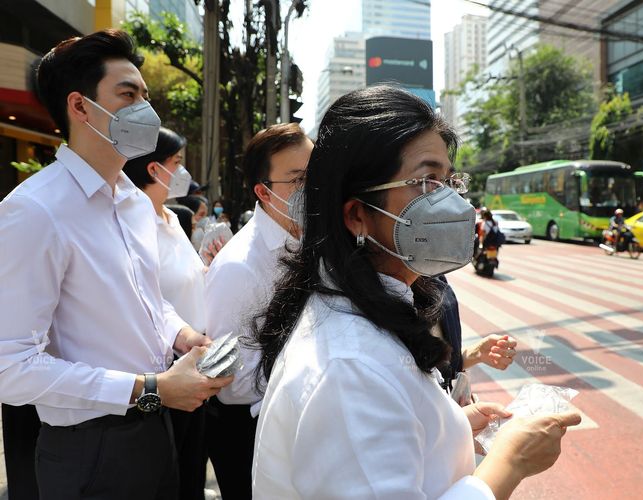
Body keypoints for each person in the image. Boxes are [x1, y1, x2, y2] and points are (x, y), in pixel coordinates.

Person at [250, 86, 580, 499]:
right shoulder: (348, 368)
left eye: (448, 181)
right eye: (425, 182)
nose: (449, 202)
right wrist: (510, 461)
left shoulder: (368, 311)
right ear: (357, 215)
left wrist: (455, 427)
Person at [0, 29, 232, 499]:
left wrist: (182, 335)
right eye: (127, 94)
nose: (145, 109)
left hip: (155, 428)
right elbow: (11, 367)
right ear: (80, 107)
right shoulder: (35, 210)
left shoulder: (129, 198)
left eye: (144, 95)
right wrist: (150, 388)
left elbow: (147, 300)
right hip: (90, 448)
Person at [205, 123, 314, 498]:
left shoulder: (312, 241)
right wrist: (315, 382)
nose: (312, 187)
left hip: (299, 420)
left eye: (315, 173)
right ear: (263, 192)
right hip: (251, 434)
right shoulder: (238, 267)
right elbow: (232, 382)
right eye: (298, 179)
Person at [123, 127, 212, 500]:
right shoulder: (130, 219)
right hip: (165, 367)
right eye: (176, 162)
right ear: (153, 168)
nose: (183, 171)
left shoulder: (172, 218)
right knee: (171, 474)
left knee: (192, 467)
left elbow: (185, 277)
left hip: (196, 357)